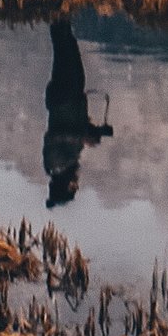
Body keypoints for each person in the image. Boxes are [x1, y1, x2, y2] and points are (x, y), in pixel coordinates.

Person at [41, 12, 112, 205]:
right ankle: (60, 13)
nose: (76, 184)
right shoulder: (67, 163)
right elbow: (73, 131)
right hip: (70, 96)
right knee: (67, 47)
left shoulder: (55, 165)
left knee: (64, 49)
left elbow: (54, 136)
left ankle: (57, 11)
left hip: (64, 97)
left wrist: (83, 137)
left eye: (72, 188)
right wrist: (93, 131)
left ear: (64, 186)